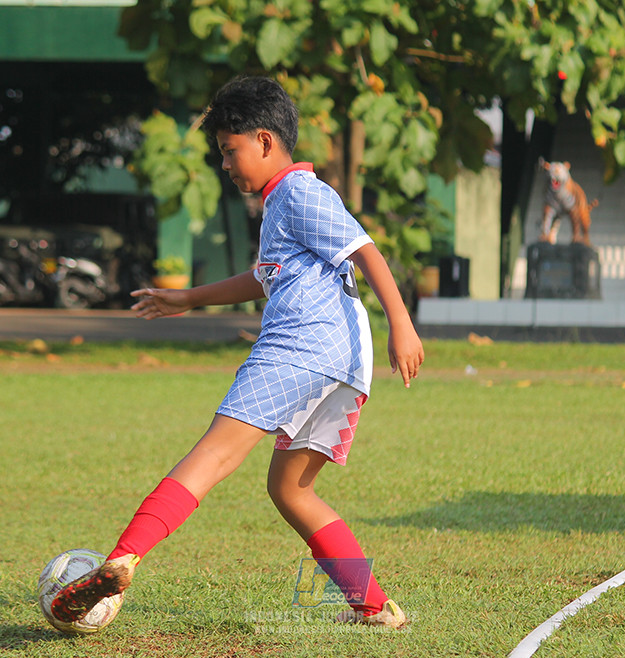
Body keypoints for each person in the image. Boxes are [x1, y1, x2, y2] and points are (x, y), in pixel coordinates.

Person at [51, 76, 424, 629]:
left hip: (299, 346)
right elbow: (264, 277)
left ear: (265, 141)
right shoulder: (282, 203)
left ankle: (122, 559)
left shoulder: (300, 193)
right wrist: (188, 299)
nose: (225, 164)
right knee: (291, 490)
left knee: (214, 454)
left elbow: (364, 249)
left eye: (230, 150)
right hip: (343, 362)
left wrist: (403, 324)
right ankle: (374, 607)